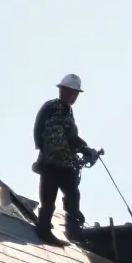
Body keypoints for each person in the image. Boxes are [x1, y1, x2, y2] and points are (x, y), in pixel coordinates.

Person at [32, 74, 99, 245]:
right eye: (68, 91)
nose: (71, 96)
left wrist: (85, 149)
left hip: (65, 164)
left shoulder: (68, 113)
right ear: (62, 91)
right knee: (48, 200)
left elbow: (72, 137)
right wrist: (44, 150)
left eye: (73, 93)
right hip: (50, 163)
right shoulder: (50, 108)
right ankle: (44, 230)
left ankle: (73, 229)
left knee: (72, 194)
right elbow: (38, 130)